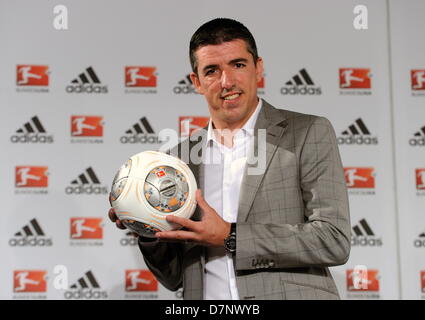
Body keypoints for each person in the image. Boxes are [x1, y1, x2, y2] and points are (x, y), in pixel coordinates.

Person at [108, 18, 351, 300]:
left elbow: (333, 240)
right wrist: (147, 228)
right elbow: (174, 277)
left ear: (258, 67)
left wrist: (230, 235)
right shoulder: (176, 162)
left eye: (238, 65)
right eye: (212, 71)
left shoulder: (308, 132)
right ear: (197, 82)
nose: (227, 82)